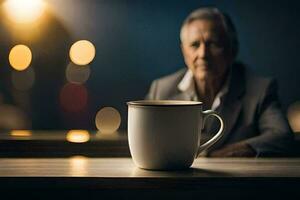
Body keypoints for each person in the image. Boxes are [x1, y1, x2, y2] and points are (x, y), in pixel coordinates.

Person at [145, 7, 295, 157]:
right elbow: (146, 138)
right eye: (195, 45)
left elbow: (282, 137)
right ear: (184, 52)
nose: (203, 54)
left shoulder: (260, 89)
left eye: (214, 44)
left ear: (233, 50)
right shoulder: (161, 90)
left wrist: (230, 152)